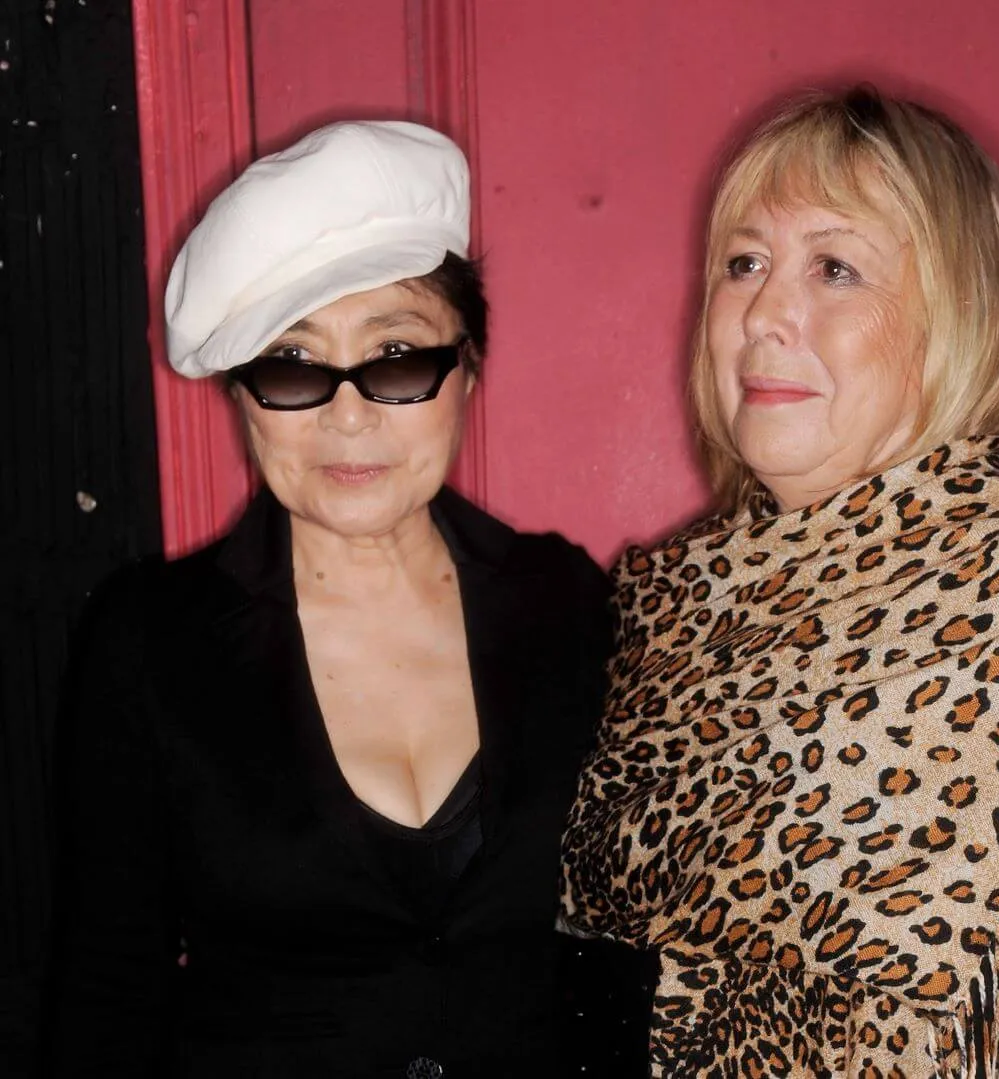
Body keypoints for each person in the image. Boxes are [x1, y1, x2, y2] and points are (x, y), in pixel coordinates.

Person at [560, 86, 999, 1077]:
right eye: (744, 262)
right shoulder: (659, 603)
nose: (765, 312)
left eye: (835, 266)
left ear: (956, 311)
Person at [45, 121, 650, 1077]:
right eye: (293, 365)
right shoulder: (152, 645)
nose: (349, 415)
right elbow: (106, 996)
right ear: (244, 395)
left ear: (469, 369)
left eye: (398, 355)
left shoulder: (564, 602)